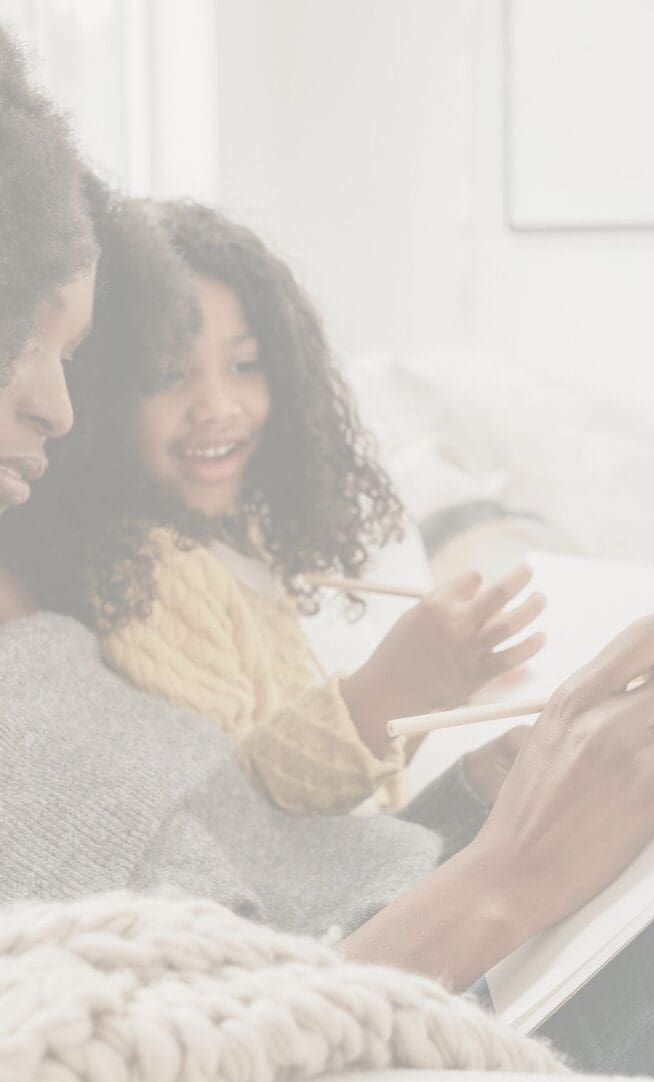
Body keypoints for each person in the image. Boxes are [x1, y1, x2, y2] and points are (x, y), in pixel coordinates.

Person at [0, 26, 654, 1082]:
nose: (57, 403)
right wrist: (510, 871)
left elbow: (267, 866)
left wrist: (480, 807)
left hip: (429, 940)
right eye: (18, 341)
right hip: (414, 1033)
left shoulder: (57, 590)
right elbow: (182, 1065)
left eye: (69, 351)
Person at [10, 201, 546, 815]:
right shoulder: (148, 568)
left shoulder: (243, 536)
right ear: (101, 397)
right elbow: (241, 823)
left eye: (244, 365)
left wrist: (436, 686)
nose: (218, 405)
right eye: (168, 374)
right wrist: (392, 692)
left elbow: (347, 787)